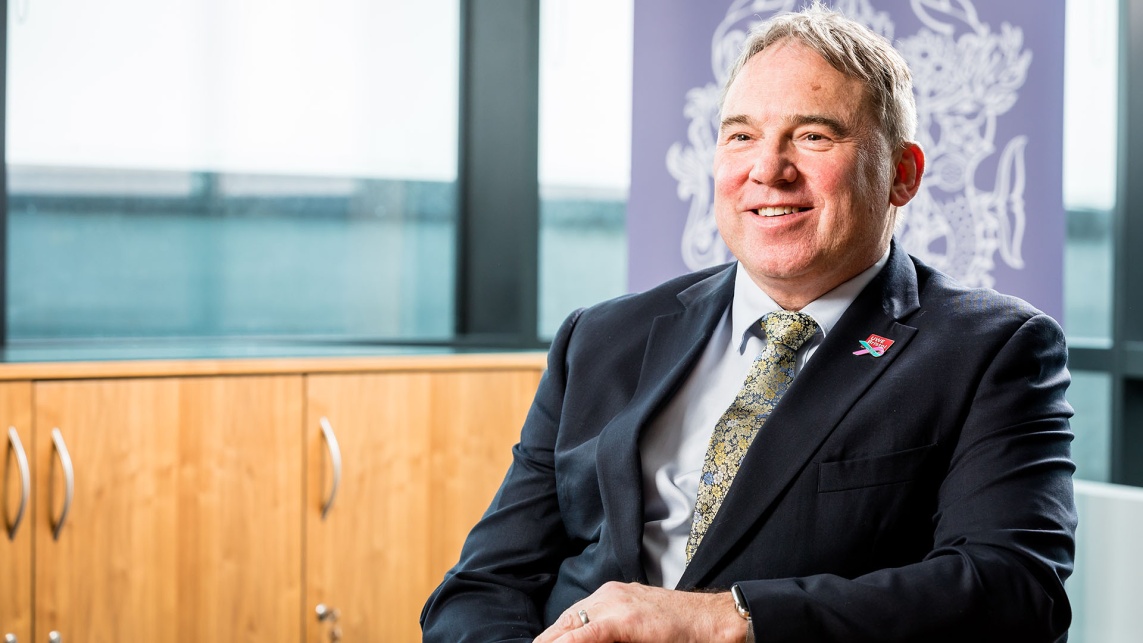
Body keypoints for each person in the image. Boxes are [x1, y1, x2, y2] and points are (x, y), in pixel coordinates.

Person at [421, 3, 1077, 642]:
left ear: (902, 174)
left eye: (813, 135)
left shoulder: (993, 349)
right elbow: (482, 585)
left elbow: (1014, 591)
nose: (767, 169)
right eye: (741, 136)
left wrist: (721, 620)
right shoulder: (599, 339)